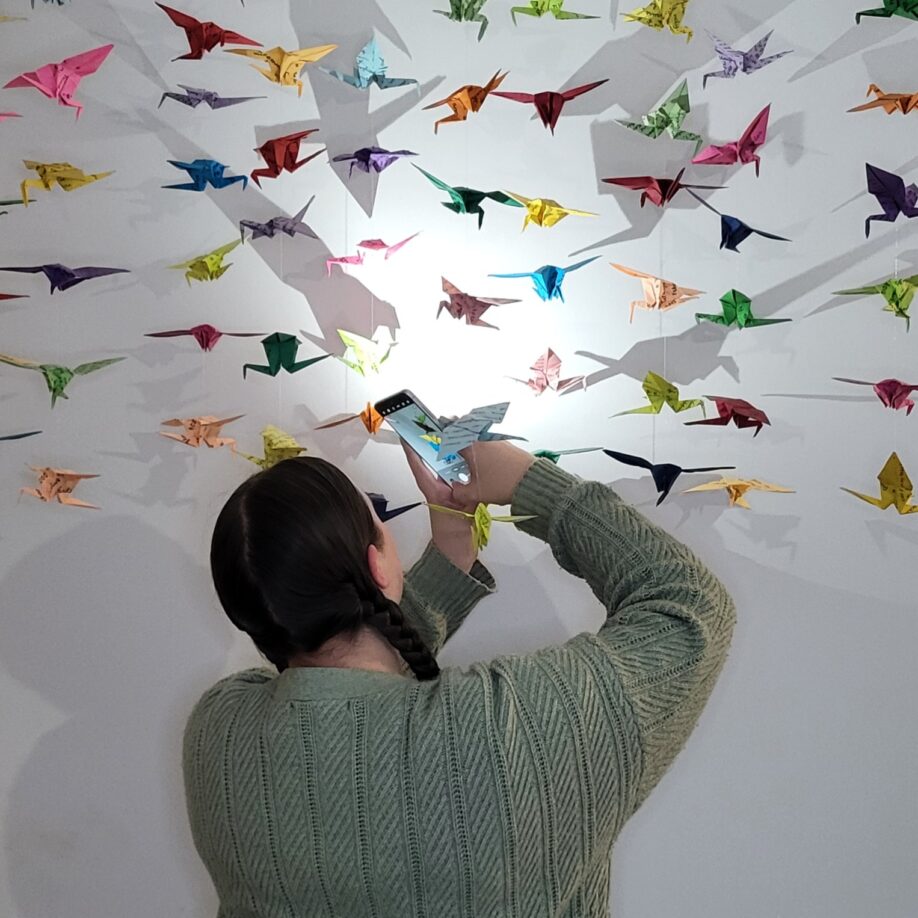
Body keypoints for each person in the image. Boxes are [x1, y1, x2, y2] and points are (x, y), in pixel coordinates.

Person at [184, 440, 736, 917]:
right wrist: (529, 482)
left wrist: (450, 555)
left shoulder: (218, 736)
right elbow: (688, 607)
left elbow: (343, 701)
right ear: (378, 566)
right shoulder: (523, 726)